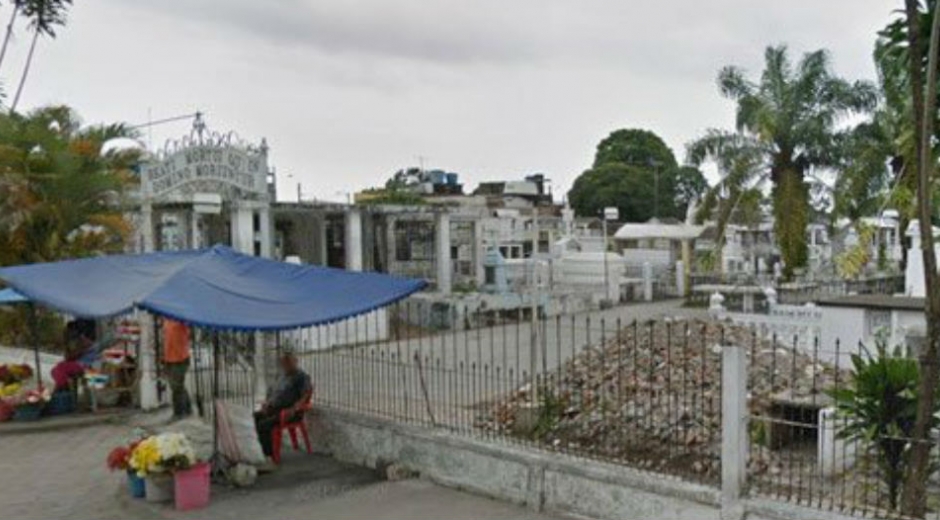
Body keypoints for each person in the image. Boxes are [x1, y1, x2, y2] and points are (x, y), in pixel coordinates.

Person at [254, 352, 312, 462]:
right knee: (253, 418)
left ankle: (269, 457)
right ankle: (258, 452)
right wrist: (267, 404)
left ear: (295, 361)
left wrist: (294, 409)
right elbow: (273, 393)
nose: (286, 366)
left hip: (288, 413)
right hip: (274, 409)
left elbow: (306, 394)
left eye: (288, 362)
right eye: (284, 363)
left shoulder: (301, 377)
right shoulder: (282, 377)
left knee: (263, 425)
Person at [162, 318, 192, 419]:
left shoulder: (181, 318)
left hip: (180, 357)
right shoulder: (166, 319)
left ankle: (179, 412)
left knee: (177, 386)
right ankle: (187, 409)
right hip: (169, 357)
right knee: (177, 386)